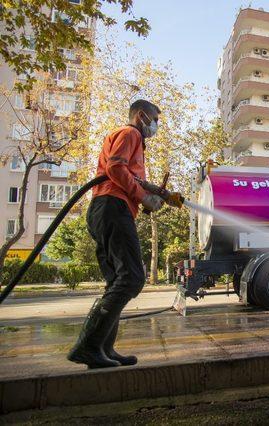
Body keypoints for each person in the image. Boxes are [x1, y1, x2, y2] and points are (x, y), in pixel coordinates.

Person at [67, 99, 167, 369]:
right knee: (132, 278)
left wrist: (152, 192)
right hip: (113, 207)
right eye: (155, 119)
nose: (156, 126)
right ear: (142, 115)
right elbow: (115, 167)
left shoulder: (131, 139)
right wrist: (142, 197)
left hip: (106, 209)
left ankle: (101, 348)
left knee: (117, 281)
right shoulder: (130, 132)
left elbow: (128, 175)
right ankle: (88, 347)